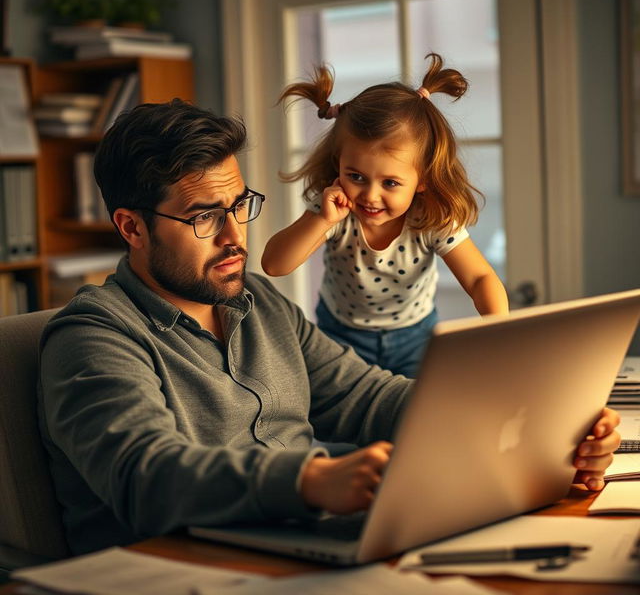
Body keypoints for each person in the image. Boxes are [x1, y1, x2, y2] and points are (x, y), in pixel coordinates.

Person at [38, 99, 619, 556]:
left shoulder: (260, 305)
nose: (236, 236)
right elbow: (147, 476)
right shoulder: (92, 338)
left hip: (299, 551)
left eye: (240, 205)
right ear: (131, 228)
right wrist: (308, 480)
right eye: (204, 217)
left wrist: (544, 431)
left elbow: (368, 396)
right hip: (176, 568)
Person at [262, 53, 508, 377]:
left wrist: (501, 332)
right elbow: (274, 265)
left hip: (415, 337)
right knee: (345, 417)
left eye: (390, 182)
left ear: (422, 179)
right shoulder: (335, 211)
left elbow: (479, 279)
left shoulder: (432, 219)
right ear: (338, 163)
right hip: (339, 336)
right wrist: (322, 220)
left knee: (415, 414)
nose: (370, 195)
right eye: (356, 176)